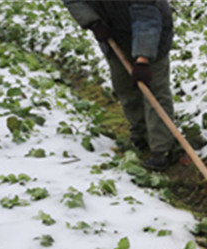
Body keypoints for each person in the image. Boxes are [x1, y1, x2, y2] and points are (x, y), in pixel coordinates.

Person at [63, 0, 175, 171]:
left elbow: (147, 18)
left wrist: (143, 60)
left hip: (152, 31)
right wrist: (92, 21)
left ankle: (161, 149)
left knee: (154, 92)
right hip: (112, 33)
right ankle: (140, 133)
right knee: (125, 87)